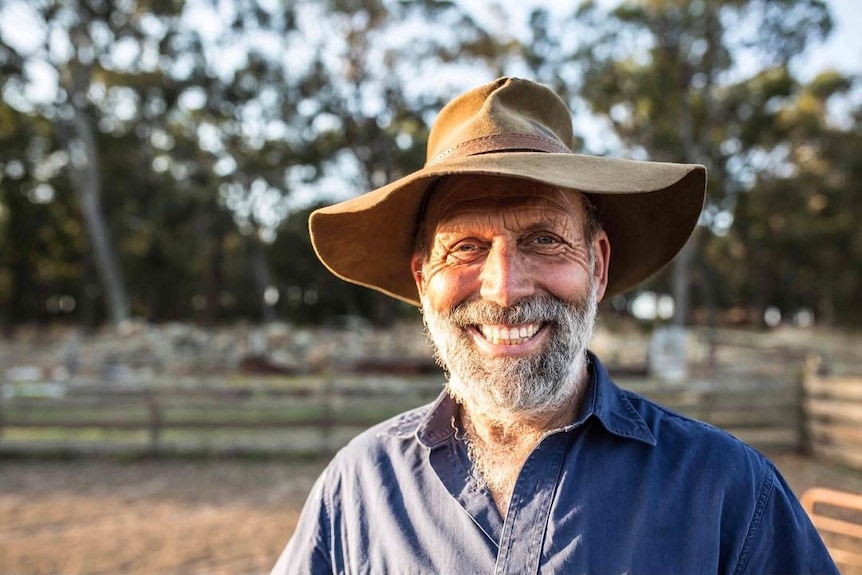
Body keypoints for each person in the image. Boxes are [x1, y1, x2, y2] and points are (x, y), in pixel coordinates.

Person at [271, 77, 837, 574]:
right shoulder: (357, 489)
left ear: (598, 265)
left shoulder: (727, 492)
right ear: (423, 282)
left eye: (543, 240)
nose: (505, 287)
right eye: (466, 247)